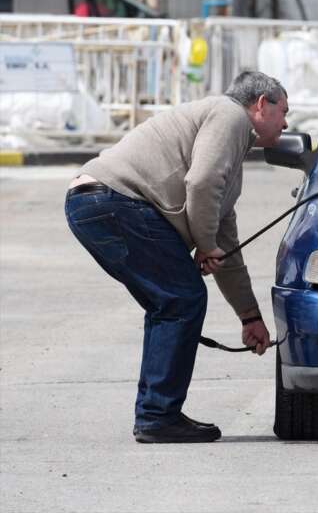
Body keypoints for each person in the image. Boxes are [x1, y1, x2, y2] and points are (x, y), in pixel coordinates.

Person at [64, 71, 290, 443]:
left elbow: (226, 245)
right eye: (284, 112)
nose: (286, 123)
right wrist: (204, 244)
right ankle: (157, 416)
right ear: (261, 104)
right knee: (180, 299)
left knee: (171, 301)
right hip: (113, 202)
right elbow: (200, 184)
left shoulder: (231, 156)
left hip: (95, 204)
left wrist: (249, 316)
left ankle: (156, 413)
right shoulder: (230, 115)